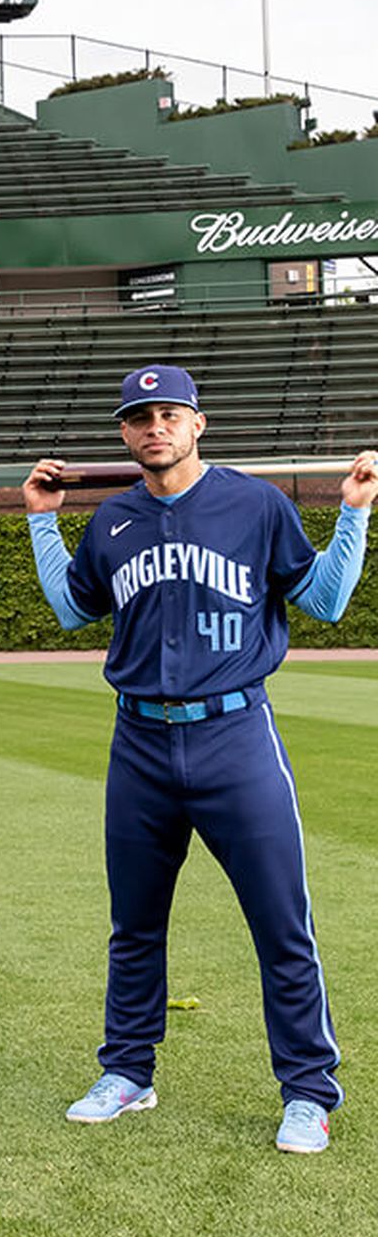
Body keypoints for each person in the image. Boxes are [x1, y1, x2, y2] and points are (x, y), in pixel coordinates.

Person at [23, 363, 378, 1154]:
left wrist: (353, 514)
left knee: (281, 921)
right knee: (135, 925)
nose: (155, 427)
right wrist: (42, 520)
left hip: (235, 736)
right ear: (124, 432)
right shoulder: (110, 519)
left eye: (169, 414)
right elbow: (71, 607)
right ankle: (127, 1072)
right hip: (140, 743)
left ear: (198, 423)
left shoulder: (255, 502)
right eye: (139, 417)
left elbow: (321, 601)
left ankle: (309, 1093)